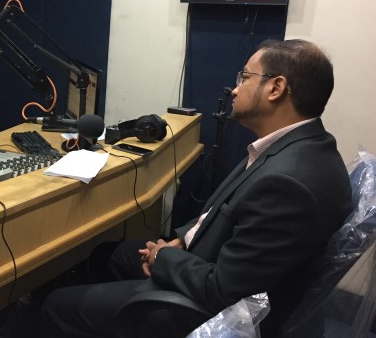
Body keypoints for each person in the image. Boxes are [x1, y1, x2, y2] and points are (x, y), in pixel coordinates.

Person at [41, 39, 352, 337]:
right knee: (107, 254)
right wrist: (182, 239)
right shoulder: (301, 147)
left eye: (245, 77)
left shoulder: (288, 184)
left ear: (276, 88)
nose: (235, 89)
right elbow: (228, 211)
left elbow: (223, 290)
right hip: (209, 261)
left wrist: (164, 257)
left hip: (210, 308)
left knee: (57, 305)